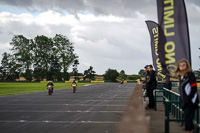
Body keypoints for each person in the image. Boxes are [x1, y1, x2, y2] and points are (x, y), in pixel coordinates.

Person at [173, 59, 199, 133]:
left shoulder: (191, 75)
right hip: (184, 102)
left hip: (191, 102)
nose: (182, 66)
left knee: (188, 121)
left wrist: (188, 100)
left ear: (187, 66)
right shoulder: (181, 77)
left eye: (184, 64)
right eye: (180, 65)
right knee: (187, 120)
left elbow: (194, 89)